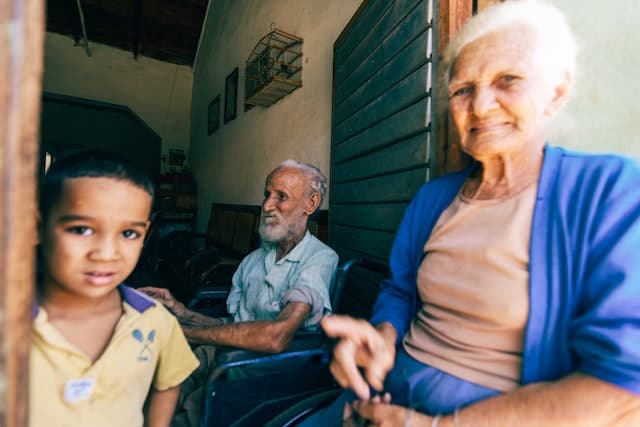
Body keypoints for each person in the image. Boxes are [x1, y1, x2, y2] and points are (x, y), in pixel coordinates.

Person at [299, 1, 640, 426]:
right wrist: (382, 338)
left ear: (555, 92)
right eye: (463, 90)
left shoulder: (608, 191)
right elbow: (400, 292)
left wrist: (435, 425)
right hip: (377, 400)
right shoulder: (433, 199)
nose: (480, 107)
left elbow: (622, 389)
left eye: (507, 80)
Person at [139, 159, 339, 426]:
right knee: (156, 380)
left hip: (261, 370)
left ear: (310, 204)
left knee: (185, 411)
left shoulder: (320, 259)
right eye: (267, 195)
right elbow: (233, 326)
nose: (267, 205)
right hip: (224, 352)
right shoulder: (254, 260)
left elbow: (276, 336)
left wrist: (185, 332)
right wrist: (182, 312)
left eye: (281, 197)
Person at [31, 151, 199, 427]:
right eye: (82, 229)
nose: (107, 253)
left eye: (129, 233)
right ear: (37, 226)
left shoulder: (154, 320)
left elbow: (170, 380)